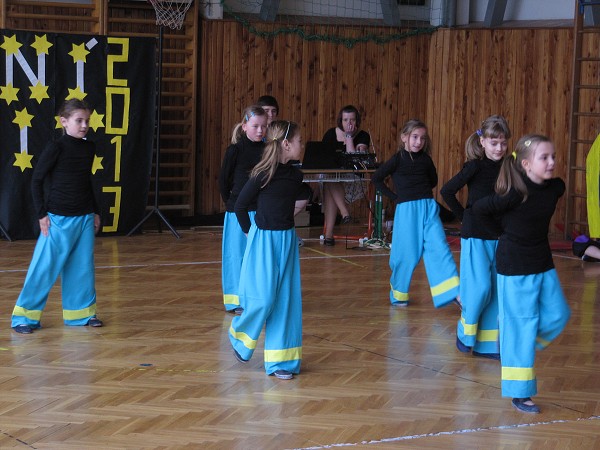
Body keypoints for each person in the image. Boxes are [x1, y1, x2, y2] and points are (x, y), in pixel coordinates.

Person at [472, 134, 571, 414]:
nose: (552, 162)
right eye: (544, 158)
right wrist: (502, 233)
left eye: (553, 156)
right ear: (526, 164)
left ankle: (516, 341)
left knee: (558, 314)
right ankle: (520, 392)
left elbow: (557, 186)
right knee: (521, 328)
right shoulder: (514, 193)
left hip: (542, 263)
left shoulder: (555, 188)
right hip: (514, 267)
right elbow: (479, 210)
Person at [11, 98, 103, 334]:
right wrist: (42, 214)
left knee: (82, 267)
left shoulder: (89, 147)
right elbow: (37, 180)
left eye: (87, 121)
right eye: (78, 120)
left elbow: (86, 181)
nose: (84, 125)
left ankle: (82, 314)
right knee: (44, 267)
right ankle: (24, 317)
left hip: (84, 217)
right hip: (58, 218)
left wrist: (95, 211)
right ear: (64, 122)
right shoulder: (56, 147)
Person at [229, 120, 312, 380]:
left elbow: (301, 195)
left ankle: (281, 361)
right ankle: (239, 336)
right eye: (299, 141)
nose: (302, 145)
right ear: (286, 144)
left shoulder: (296, 175)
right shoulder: (262, 174)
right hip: (263, 241)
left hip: (286, 240)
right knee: (263, 299)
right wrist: (249, 232)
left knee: (285, 302)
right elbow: (240, 206)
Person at [441, 115, 511, 360]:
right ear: (483, 142)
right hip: (476, 236)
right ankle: (464, 331)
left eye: (503, 143)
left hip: (500, 237)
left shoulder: (508, 167)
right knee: (480, 288)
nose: (499, 148)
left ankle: (488, 345)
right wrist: (465, 217)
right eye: (494, 143)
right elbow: (447, 191)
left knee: (495, 292)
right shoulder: (474, 166)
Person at [372, 119, 459, 307]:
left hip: (428, 207)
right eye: (414, 137)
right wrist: (394, 197)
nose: (419, 142)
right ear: (404, 137)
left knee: (439, 246)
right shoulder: (397, 159)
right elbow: (377, 178)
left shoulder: (426, 160)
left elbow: (433, 181)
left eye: (422, 138)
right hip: (407, 211)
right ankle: (399, 292)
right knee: (407, 254)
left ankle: (452, 291)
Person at [218, 105, 268, 315]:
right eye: (255, 126)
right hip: (237, 211)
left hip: (260, 211)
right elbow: (224, 180)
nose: (260, 130)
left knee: (258, 257)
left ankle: (256, 297)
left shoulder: (268, 149)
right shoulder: (235, 150)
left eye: (264, 127)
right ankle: (235, 300)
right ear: (245, 125)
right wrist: (231, 204)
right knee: (236, 256)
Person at [256, 94, 310, 247]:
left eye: (274, 111)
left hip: (282, 177)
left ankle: (286, 228)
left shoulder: (283, 131)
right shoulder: (259, 136)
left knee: (303, 194)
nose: (271, 115)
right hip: (267, 180)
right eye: (267, 111)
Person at [321, 105, 371, 245]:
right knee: (330, 179)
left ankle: (332, 230)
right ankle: (341, 218)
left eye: (352, 120)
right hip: (333, 177)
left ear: (357, 121)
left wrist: (349, 137)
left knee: (330, 182)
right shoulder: (330, 134)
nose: (349, 123)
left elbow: (353, 161)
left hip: (353, 180)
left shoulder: (362, 136)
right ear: (340, 121)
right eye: (345, 120)